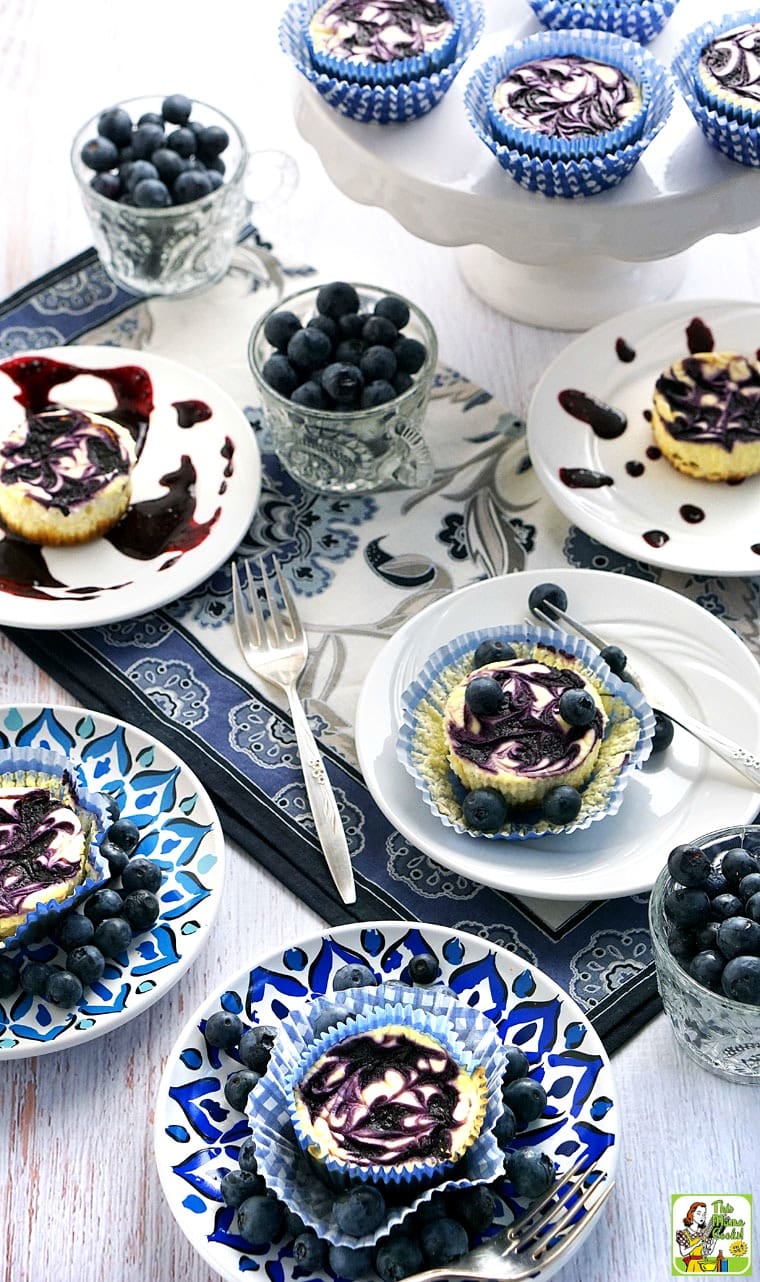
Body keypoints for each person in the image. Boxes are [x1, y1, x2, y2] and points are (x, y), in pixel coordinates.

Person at [675, 1202, 724, 1273]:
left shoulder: (704, 1232)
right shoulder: (683, 1233)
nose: (702, 1217)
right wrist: (696, 1244)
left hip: (703, 1265)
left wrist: (714, 1239)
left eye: (704, 1214)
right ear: (691, 1214)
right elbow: (683, 1252)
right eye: (699, 1213)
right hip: (693, 1266)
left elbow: (707, 1252)